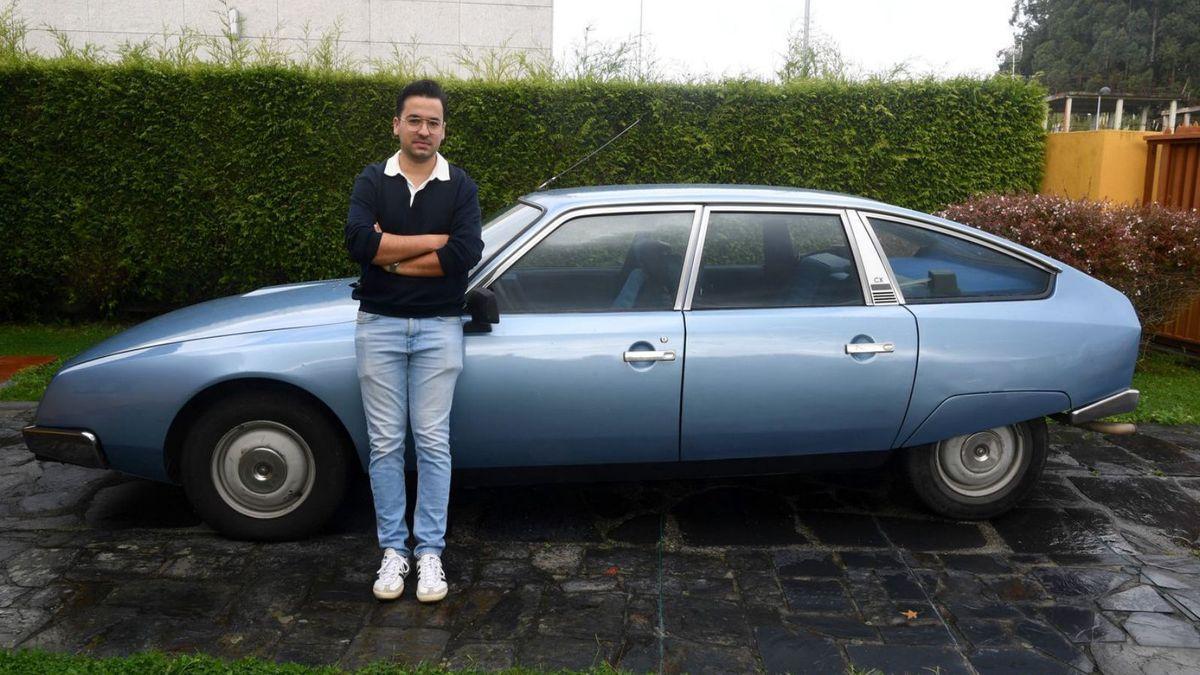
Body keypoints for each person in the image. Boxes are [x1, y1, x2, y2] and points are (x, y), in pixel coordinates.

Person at [343, 79, 482, 603]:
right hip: (377, 324)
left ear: (444, 130)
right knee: (384, 444)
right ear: (397, 125)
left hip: (439, 328)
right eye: (416, 120)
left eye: (434, 122)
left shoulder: (459, 184)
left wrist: (390, 254)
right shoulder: (371, 180)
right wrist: (430, 244)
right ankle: (393, 551)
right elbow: (358, 241)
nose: (425, 130)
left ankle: (429, 553)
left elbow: (465, 252)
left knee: (431, 441)